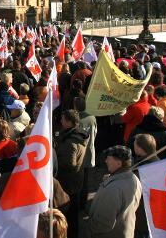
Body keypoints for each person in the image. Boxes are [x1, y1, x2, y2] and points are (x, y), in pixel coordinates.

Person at [88, 146, 142, 238]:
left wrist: (90, 227)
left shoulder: (113, 189)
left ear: (118, 163)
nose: (106, 161)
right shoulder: (135, 179)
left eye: (109, 159)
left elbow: (103, 224)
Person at [55, 109, 88, 238]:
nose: (61, 121)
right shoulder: (77, 135)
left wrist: (55, 160)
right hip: (76, 180)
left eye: (63, 119)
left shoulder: (71, 142)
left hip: (69, 183)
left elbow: (70, 163)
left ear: (69, 122)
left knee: (70, 214)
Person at [132, 134, 159, 238]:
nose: (134, 147)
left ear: (140, 148)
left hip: (143, 210)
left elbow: (135, 188)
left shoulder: (143, 168)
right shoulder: (156, 160)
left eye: (135, 145)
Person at [75, 97, 97, 210]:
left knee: (78, 181)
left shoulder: (76, 120)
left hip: (80, 155)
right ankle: (83, 203)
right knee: (86, 181)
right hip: (89, 152)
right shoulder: (92, 118)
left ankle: (79, 203)